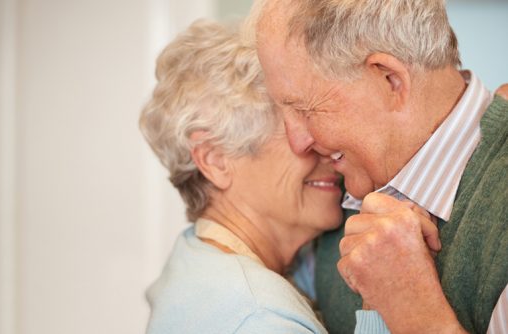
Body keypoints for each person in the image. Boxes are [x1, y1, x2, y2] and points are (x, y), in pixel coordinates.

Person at [141, 19, 433, 333]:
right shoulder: (260, 319)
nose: (325, 146)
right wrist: (382, 303)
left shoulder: (197, 256)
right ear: (215, 160)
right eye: (296, 128)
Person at [252, 0, 508, 333]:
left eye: (305, 109)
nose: (296, 143)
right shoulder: (333, 194)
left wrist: (414, 310)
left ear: (390, 80)